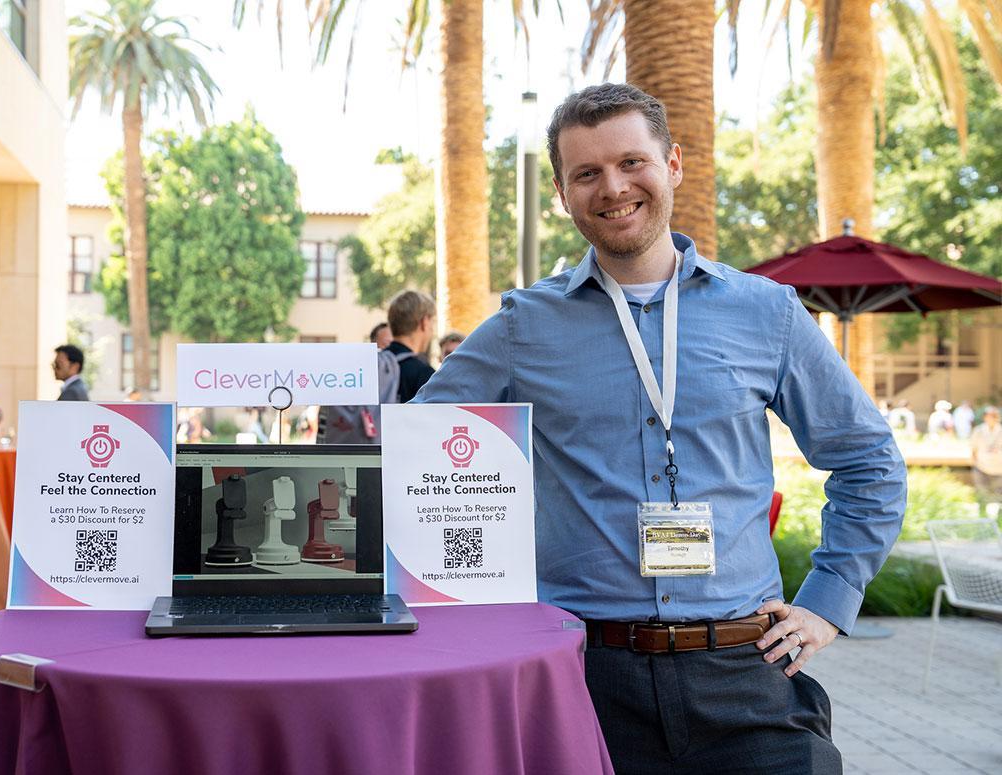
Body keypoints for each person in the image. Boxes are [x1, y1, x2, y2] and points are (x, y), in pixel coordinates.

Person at [413, 83, 906, 772]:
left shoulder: (769, 313)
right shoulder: (524, 327)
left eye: (630, 162)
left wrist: (828, 601)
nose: (612, 187)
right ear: (563, 192)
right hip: (583, 680)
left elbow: (869, 462)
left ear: (672, 164)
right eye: (586, 173)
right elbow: (409, 450)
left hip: (745, 674)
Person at [386, 290, 436, 403]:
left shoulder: (374, 366)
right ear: (425, 322)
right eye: (433, 322)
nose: (433, 330)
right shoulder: (424, 374)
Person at [970, 406, 1002, 504]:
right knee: (982, 495)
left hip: (999, 469)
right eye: (989, 416)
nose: (991, 418)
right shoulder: (978, 430)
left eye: (994, 416)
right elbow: (973, 449)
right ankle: (982, 515)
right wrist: (975, 464)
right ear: (985, 417)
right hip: (981, 468)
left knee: (999, 496)